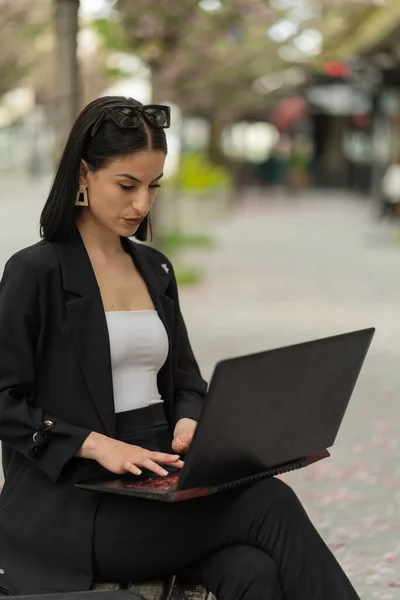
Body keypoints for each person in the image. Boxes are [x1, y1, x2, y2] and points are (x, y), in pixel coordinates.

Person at [0, 96, 362, 600]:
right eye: (127, 186)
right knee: (268, 504)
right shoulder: (35, 272)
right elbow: (4, 398)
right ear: (84, 174)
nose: (142, 205)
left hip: (158, 483)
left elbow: (187, 381)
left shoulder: (154, 269)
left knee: (251, 571)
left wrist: (191, 422)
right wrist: (97, 444)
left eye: (153, 187)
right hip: (74, 504)